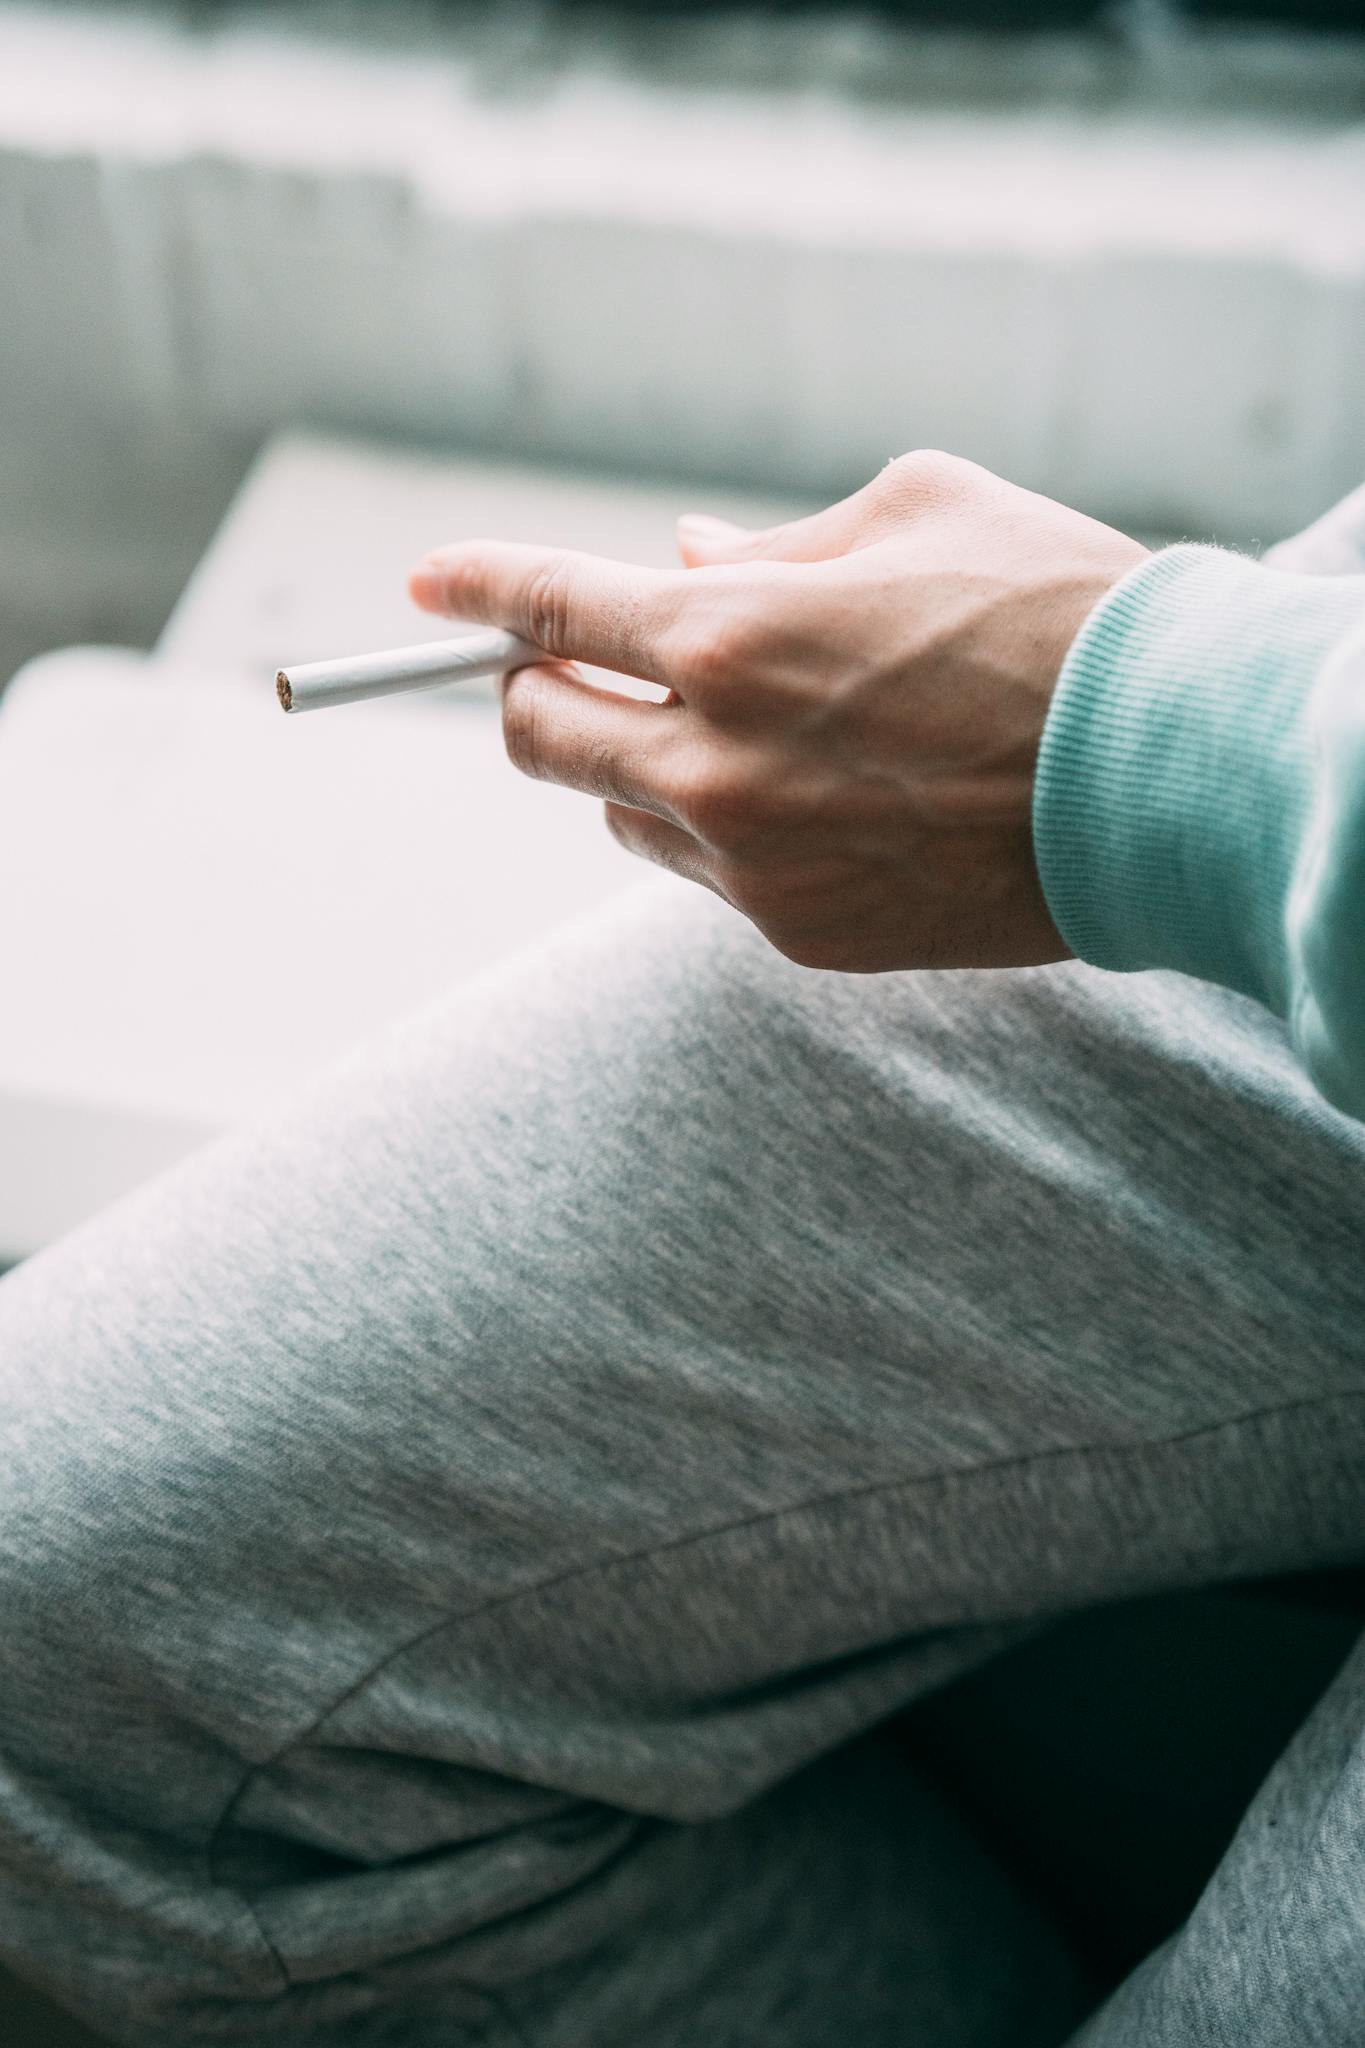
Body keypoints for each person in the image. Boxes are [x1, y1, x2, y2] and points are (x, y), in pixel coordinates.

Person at [1, 451, 1363, 2047]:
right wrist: (1226, 722)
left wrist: (1153, 728)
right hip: (1298, 785)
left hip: (1261, 767)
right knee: (71, 1646)